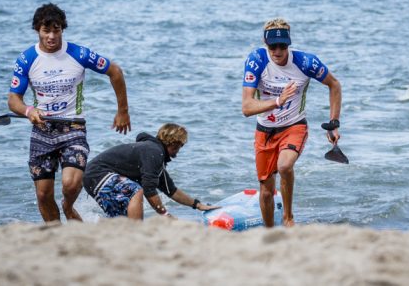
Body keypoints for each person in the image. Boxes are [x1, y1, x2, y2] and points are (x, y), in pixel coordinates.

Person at [8, 3, 131, 222]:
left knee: (70, 184)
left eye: (56, 30)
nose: (52, 36)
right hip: (42, 129)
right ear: (38, 30)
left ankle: (68, 205)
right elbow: (13, 100)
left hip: (73, 127)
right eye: (47, 31)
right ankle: (55, 235)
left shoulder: (79, 53)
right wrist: (28, 111)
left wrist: (122, 111)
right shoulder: (26, 59)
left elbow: (115, 71)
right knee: (43, 194)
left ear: (62, 29)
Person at [242, 18, 342, 227]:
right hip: (264, 131)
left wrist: (334, 123)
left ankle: (288, 219)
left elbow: (334, 85)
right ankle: (270, 232)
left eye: (283, 46)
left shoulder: (305, 62)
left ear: (289, 44)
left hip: (294, 126)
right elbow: (247, 108)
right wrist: (278, 101)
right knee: (267, 192)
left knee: (285, 165)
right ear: (265, 43)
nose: (277, 51)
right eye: (272, 46)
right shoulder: (256, 60)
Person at [83, 123, 219, 219]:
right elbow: (149, 189)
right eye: (180, 145)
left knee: (122, 218)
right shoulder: (154, 152)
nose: (180, 149)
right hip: (99, 173)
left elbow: (171, 190)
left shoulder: (152, 154)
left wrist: (197, 205)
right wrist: (165, 214)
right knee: (135, 191)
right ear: (173, 143)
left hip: (93, 177)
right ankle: (138, 236)